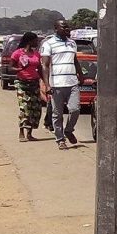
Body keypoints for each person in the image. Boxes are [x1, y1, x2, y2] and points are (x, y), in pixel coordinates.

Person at [40, 20, 83, 150]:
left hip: (72, 83)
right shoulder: (49, 44)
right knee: (57, 114)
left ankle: (69, 130)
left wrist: (80, 74)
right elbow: (45, 65)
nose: (67, 29)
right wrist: (47, 85)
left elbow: (75, 60)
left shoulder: (72, 43)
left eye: (67, 26)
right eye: (64, 27)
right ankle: (60, 139)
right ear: (56, 28)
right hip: (56, 84)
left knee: (75, 109)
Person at [9, 32, 42, 141]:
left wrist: (46, 83)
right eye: (35, 40)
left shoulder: (37, 54)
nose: (37, 42)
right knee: (25, 108)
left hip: (34, 83)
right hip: (22, 83)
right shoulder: (17, 53)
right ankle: (21, 132)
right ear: (29, 41)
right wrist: (19, 69)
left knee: (35, 109)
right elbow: (11, 68)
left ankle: (30, 133)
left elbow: (40, 69)